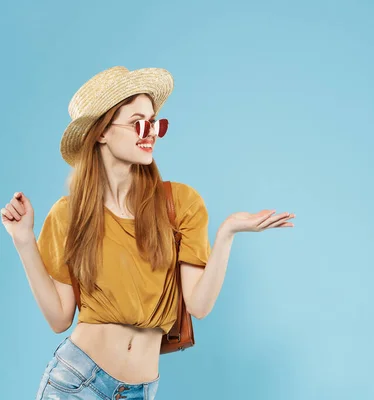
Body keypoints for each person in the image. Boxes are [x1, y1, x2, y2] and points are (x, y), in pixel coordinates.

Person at [0, 66, 295, 400]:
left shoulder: (180, 204)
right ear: (101, 133)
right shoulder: (69, 214)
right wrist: (23, 240)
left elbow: (198, 305)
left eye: (155, 123)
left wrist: (227, 233)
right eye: (138, 122)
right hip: (75, 381)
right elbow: (59, 318)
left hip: (140, 390)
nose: (150, 132)